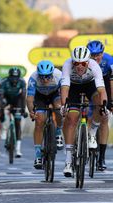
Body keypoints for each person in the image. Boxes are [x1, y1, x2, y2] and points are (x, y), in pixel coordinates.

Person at [60, 46, 107, 177]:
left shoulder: (94, 66)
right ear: (72, 62)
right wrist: (64, 105)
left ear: (88, 62)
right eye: (76, 63)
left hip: (89, 85)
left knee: (99, 103)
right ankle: (68, 161)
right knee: (71, 119)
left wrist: (104, 106)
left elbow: (102, 90)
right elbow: (64, 87)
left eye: (83, 63)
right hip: (73, 87)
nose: (79, 66)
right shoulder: (67, 65)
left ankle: (92, 133)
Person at [26, 60, 63, 169]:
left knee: (58, 107)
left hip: (55, 94)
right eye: (42, 77)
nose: (45, 80)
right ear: (38, 75)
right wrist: (31, 111)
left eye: (47, 77)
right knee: (39, 121)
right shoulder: (33, 78)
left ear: (52, 73)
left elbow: (64, 93)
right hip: (40, 96)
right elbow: (30, 99)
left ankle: (58, 131)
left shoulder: (59, 76)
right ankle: (38, 154)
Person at [87, 40, 113, 171]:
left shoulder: (109, 61)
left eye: (99, 54)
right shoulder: (83, 61)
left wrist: (111, 101)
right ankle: (81, 141)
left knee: (104, 118)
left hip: (106, 85)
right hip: (89, 85)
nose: (96, 57)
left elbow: (112, 83)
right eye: (93, 55)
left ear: (103, 53)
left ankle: (101, 158)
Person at [0, 67, 27, 158]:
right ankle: (4, 130)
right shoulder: (4, 82)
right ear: (9, 76)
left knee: (17, 122)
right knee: (1, 109)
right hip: (6, 98)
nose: (14, 80)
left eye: (16, 77)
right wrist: (1, 110)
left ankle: (18, 149)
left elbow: (23, 96)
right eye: (13, 77)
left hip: (17, 99)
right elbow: (0, 96)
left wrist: (23, 110)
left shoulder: (22, 82)